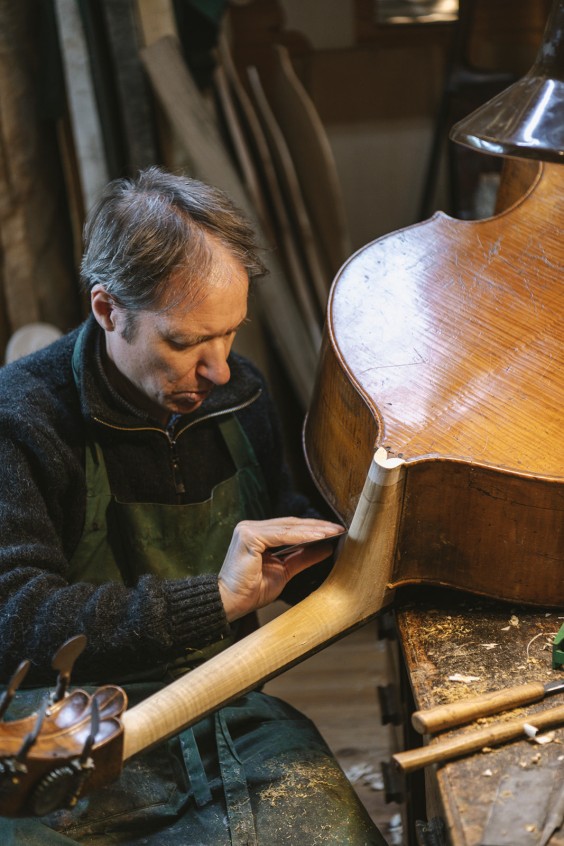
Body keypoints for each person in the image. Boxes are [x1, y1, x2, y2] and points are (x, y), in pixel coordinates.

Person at [0, 167, 386, 845]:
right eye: (183, 343)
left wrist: (359, 551)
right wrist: (214, 599)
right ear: (107, 310)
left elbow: (289, 523)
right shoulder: (23, 419)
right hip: (60, 728)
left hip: (227, 710)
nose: (220, 370)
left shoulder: (242, 398)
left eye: (229, 333)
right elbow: (18, 617)